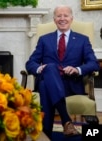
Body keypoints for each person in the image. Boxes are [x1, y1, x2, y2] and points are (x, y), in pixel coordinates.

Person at [25, 5, 100, 139]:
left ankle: (45, 135)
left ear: (71, 18)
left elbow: (93, 63)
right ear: (54, 20)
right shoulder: (44, 39)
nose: (62, 18)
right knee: (50, 68)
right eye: (59, 16)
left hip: (70, 85)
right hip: (49, 80)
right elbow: (30, 63)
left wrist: (77, 69)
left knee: (44, 86)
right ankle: (67, 121)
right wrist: (39, 68)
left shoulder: (82, 40)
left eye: (65, 15)